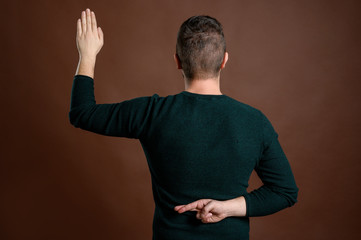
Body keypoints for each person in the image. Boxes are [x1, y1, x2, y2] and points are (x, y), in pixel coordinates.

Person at [70, 8, 299, 240]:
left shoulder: (152, 113)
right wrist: (227, 207)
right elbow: (285, 192)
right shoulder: (255, 121)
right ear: (224, 61)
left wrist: (87, 54)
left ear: (177, 61)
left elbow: (82, 113)